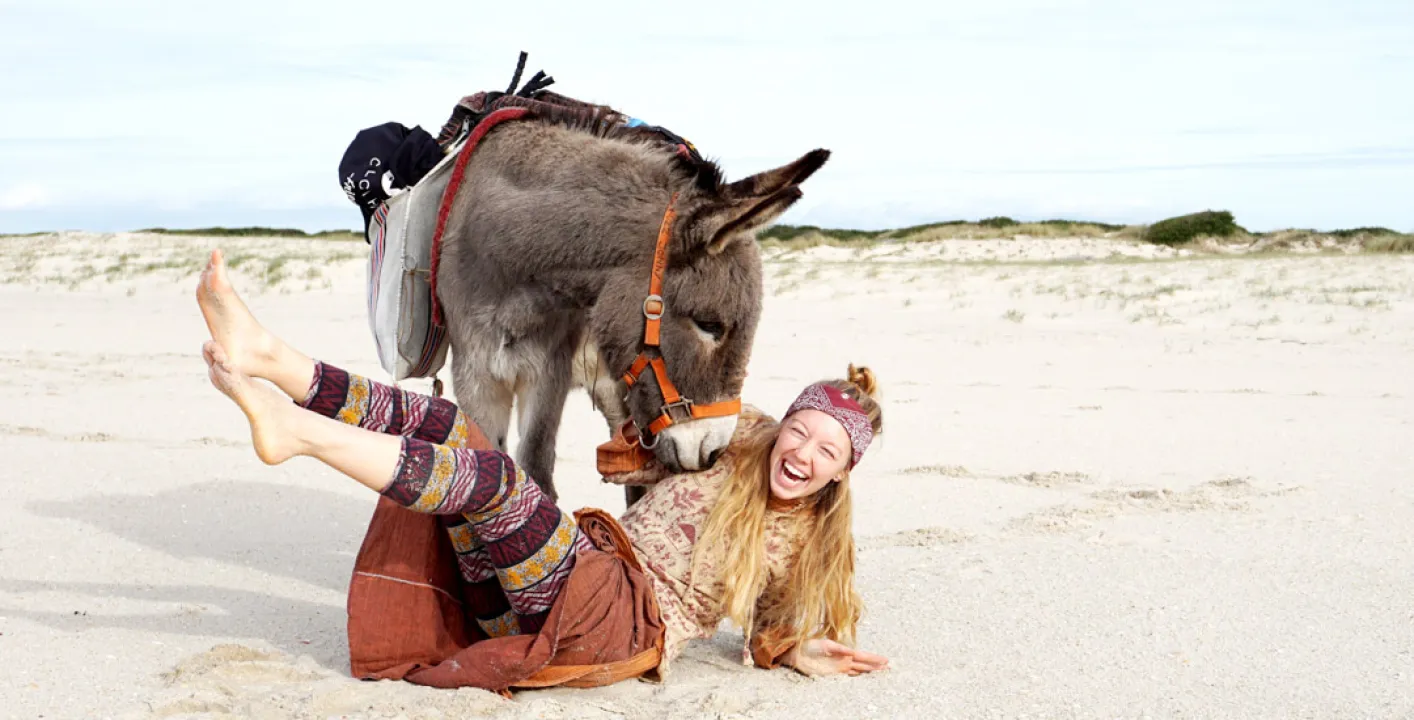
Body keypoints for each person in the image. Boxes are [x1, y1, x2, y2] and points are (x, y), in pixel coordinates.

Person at [193, 249, 890, 694]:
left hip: (619, 623)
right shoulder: (735, 433)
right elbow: (660, 413)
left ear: (841, 473)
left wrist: (796, 650)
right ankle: (274, 359)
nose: (803, 454)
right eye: (801, 432)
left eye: (827, 452)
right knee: (455, 427)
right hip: (565, 576)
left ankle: (297, 434)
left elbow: (771, 630)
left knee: (495, 484)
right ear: (783, 424)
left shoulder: (809, 539)